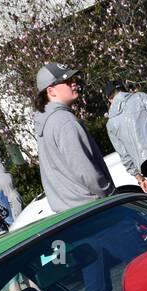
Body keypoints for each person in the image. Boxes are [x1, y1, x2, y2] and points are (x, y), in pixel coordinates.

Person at [33, 62, 115, 213]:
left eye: (73, 80)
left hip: (70, 214)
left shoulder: (45, 123)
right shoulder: (64, 121)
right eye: (66, 81)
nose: (74, 84)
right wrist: (110, 193)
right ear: (51, 91)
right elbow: (85, 171)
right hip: (93, 209)